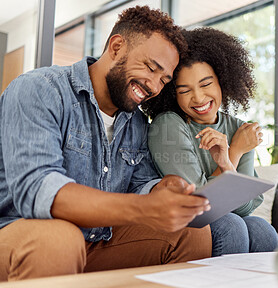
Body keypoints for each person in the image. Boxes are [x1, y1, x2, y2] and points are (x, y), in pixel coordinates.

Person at [0, 6, 212, 282]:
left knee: (192, 231)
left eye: (164, 79)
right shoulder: (39, 90)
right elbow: (38, 189)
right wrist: (143, 208)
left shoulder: (135, 122)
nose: (155, 87)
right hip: (22, 233)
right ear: (116, 46)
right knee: (59, 240)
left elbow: (140, 184)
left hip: (97, 242)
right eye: (151, 67)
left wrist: (164, 187)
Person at [142, 27, 278, 257]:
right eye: (185, 90)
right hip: (180, 222)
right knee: (230, 225)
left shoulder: (238, 128)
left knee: (262, 229)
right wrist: (234, 152)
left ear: (222, 81)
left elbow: (246, 207)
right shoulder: (169, 125)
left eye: (206, 84)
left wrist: (227, 164)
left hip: (223, 218)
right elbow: (199, 206)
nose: (198, 98)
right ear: (172, 94)